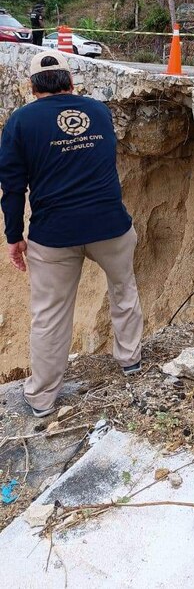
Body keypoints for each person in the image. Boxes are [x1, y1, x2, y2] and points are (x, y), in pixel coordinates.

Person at [0, 50, 143, 418]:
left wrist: (14, 235)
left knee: (49, 314)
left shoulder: (20, 122)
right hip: (110, 225)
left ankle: (42, 398)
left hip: (54, 233)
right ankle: (131, 361)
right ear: (71, 82)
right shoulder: (97, 111)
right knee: (123, 289)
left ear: (32, 88)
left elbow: (13, 187)